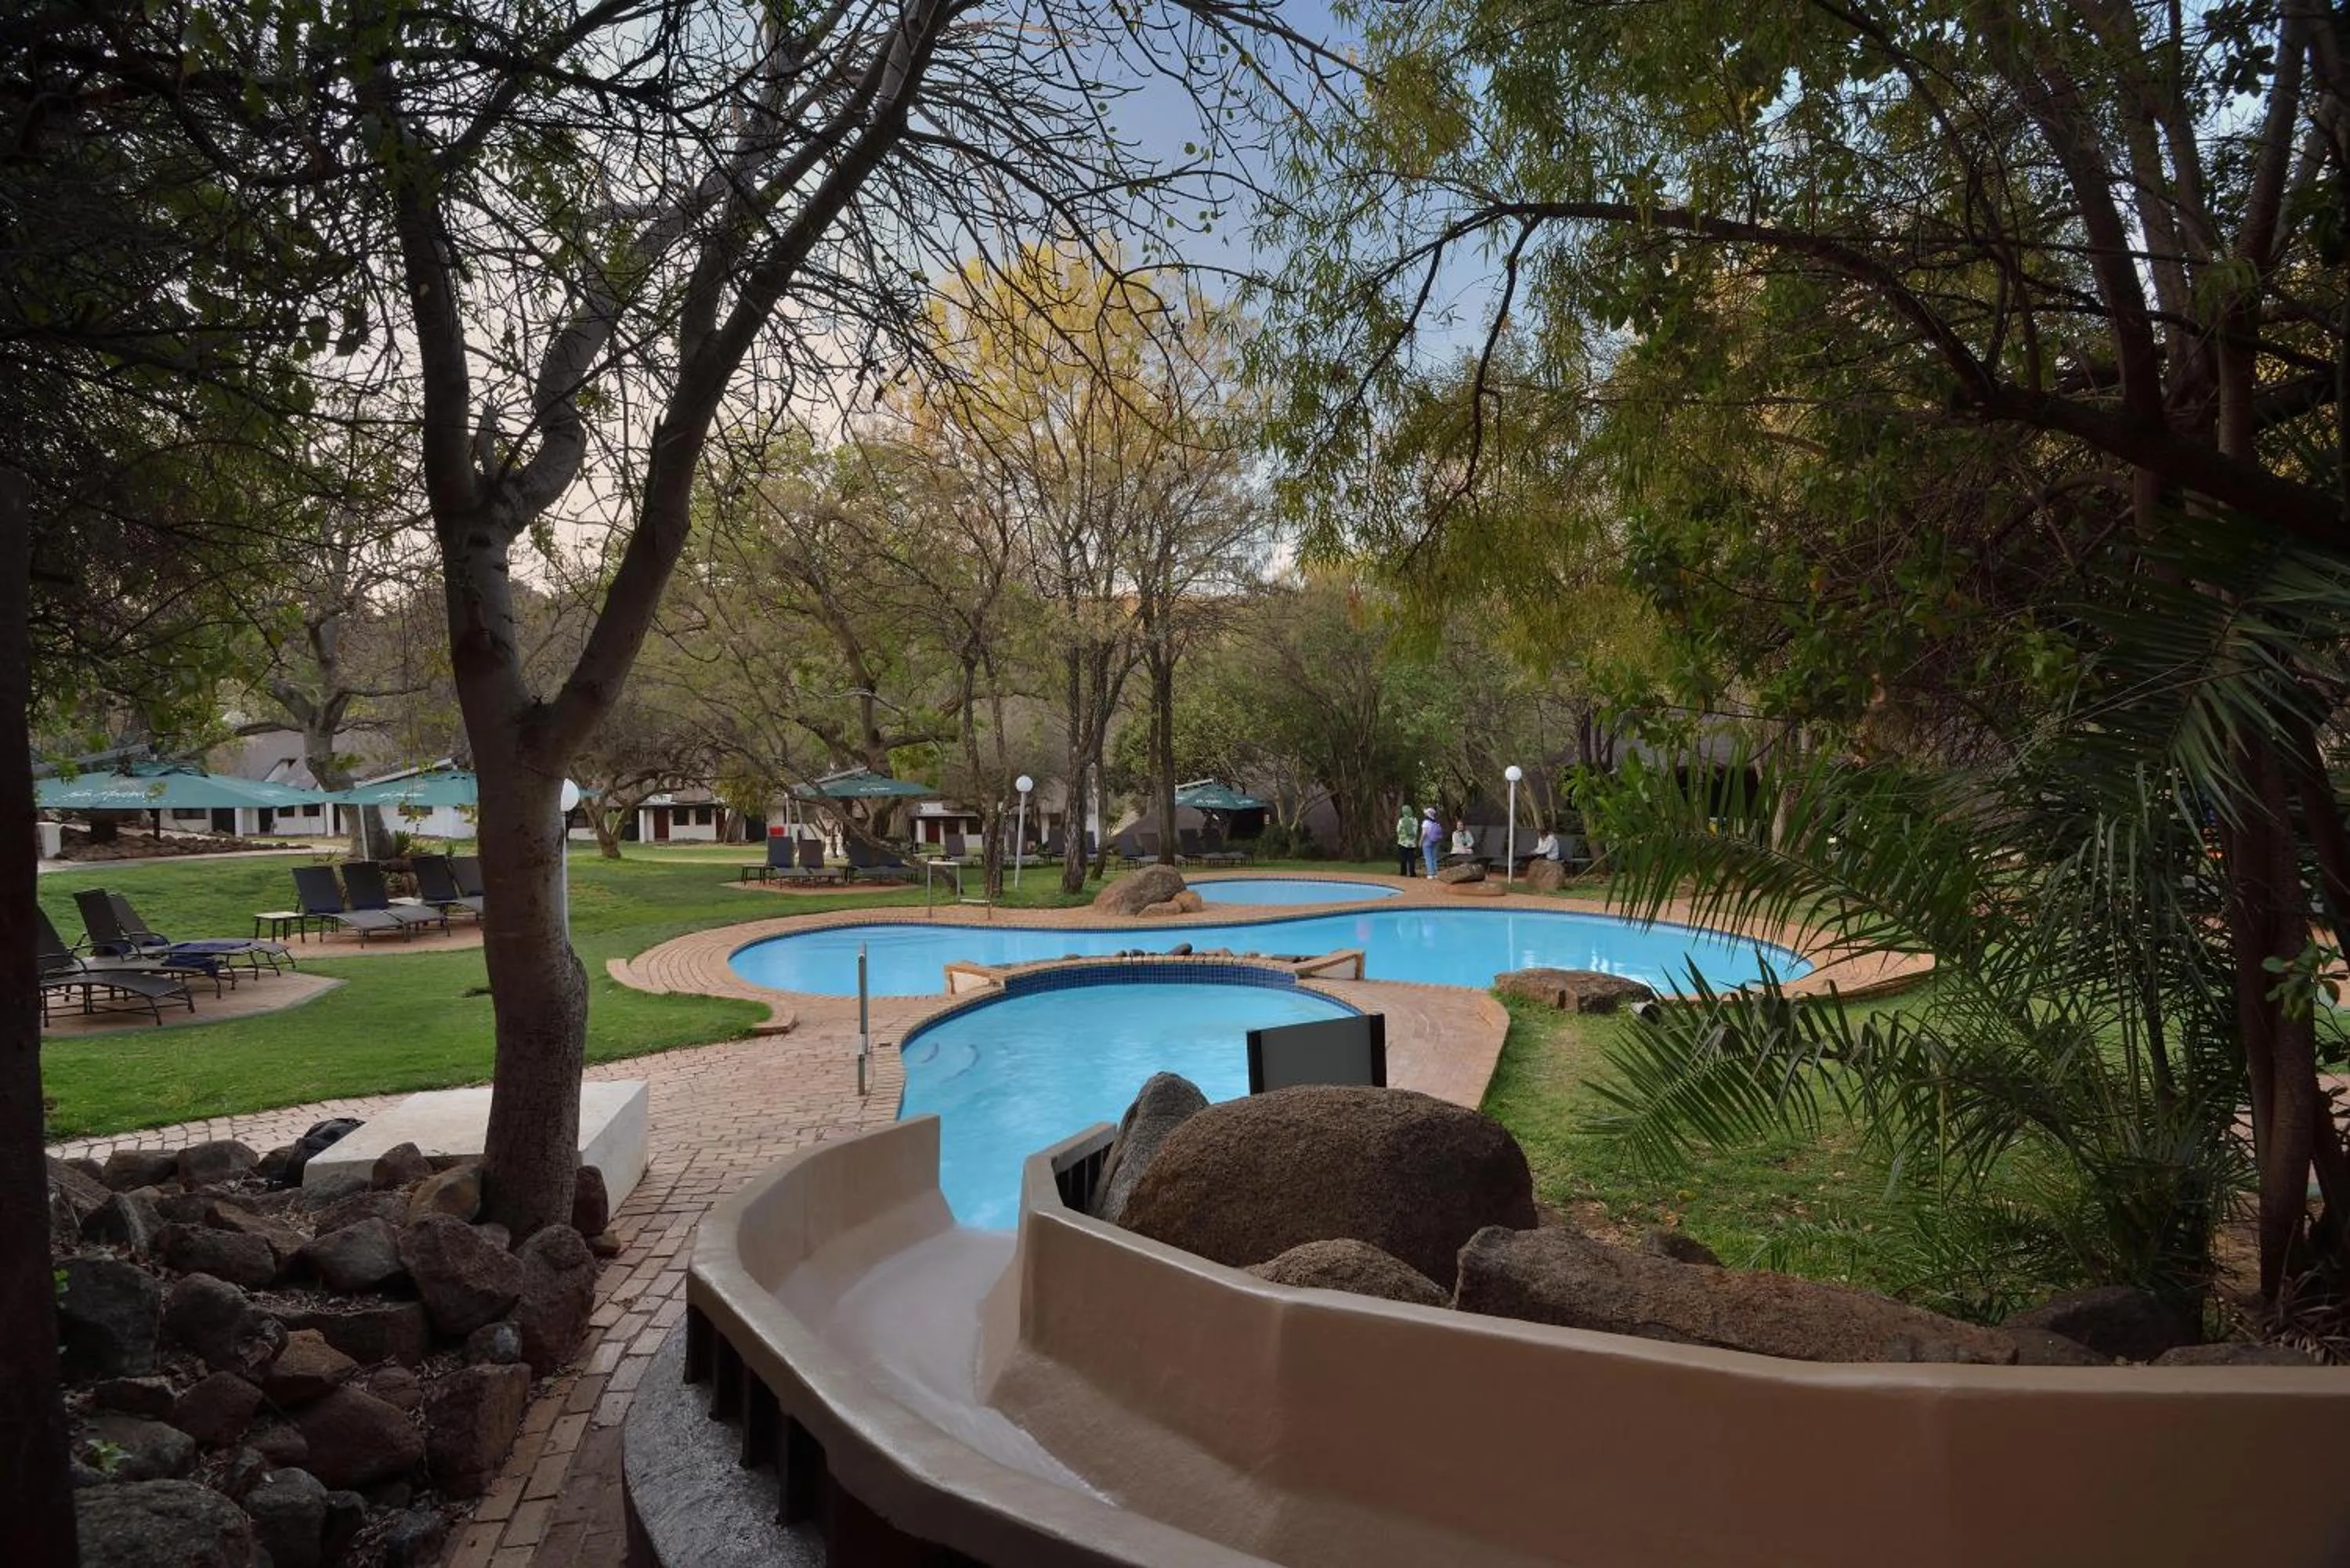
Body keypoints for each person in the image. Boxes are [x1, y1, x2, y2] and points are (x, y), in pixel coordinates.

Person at [1394, 804, 1418, 877]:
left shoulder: (1401, 820)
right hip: (1412, 843)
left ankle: (1403, 873)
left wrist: (1402, 835)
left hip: (1403, 842)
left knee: (1403, 858)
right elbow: (1416, 831)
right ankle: (1412, 873)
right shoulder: (1415, 820)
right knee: (1411, 859)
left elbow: (1398, 830)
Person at [1419, 807, 1443, 877]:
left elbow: (1424, 833)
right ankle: (1435, 874)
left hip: (1427, 840)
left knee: (1428, 857)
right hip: (1436, 841)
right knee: (1434, 857)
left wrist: (1420, 841)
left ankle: (1430, 874)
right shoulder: (1436, 822)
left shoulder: (1426, 822)